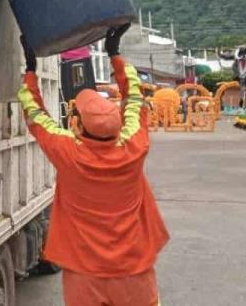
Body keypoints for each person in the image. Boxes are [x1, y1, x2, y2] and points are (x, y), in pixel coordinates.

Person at [18, 25, 169, 306]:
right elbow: (135, 99)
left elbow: (35, 115)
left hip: (84, 273)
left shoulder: (69, 152)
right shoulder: (133, 146)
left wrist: (30, 68)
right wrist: (115, 54)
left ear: (81, 126)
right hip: (134, 270)